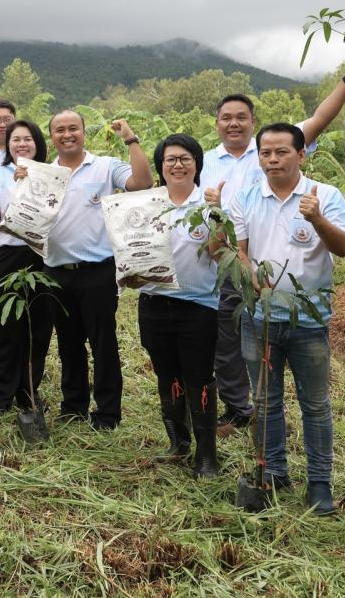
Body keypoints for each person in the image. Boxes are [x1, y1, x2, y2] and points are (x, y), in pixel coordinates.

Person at [202, 59, 345, 436]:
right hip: (232, 261)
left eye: (241, 117)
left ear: (253, 121)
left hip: (289, 281)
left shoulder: (274, 145)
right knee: (228, 342)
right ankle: (241, 409)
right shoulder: (205, 160)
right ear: (217, 123)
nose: (233, 123)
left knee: (296, 375)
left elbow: (320, 119)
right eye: (226, 117)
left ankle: (271, 421)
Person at [226, 123, 345, 514]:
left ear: (301, 154)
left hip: (308, 321)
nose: (273, 159)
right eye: (266, 153)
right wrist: (250, 275)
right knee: (265, 401)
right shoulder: (246, 197)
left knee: (315, 404)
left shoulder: (324, 196)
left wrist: (317, 219)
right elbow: (239, 250)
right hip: (259, 319)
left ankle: (320, 483)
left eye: (281, 152)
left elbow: (343, 247)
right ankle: (273, 472)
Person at [40, 110, 153, 430]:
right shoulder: (45, 174)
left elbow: (142, 183)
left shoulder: (105, 166)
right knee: (68, 343)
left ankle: (107, 412)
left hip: (98, 271)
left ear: (83, 131)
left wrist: (130, 139)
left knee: (103, 343)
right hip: (56, 271)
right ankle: (73, 406)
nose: (67, 134)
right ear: (52, 136)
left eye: (73, 128)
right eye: (60, 130)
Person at [136, 134, 221, 477]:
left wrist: (217, 216)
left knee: (199, 378)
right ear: (161, 166)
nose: (177, 165)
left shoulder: (209, 203)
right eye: (170, 159)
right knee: (166, 373)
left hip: (198, 305)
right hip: (154, 302)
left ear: (197, 164)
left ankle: (207, 454)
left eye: (185, 158)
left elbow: (219, 254)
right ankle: (178, 442)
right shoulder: (147, 204)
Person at [0, 119, 54, 413]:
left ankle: (28, 391)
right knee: (3, 324)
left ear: (38, 142)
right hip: (5, 255)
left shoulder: (52, 173)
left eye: (28, 139)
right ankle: (0, 395)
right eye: (16, 139)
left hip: (41, 256)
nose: (22, 144)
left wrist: (33, 180)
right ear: (7, 145)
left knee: (38, 326)